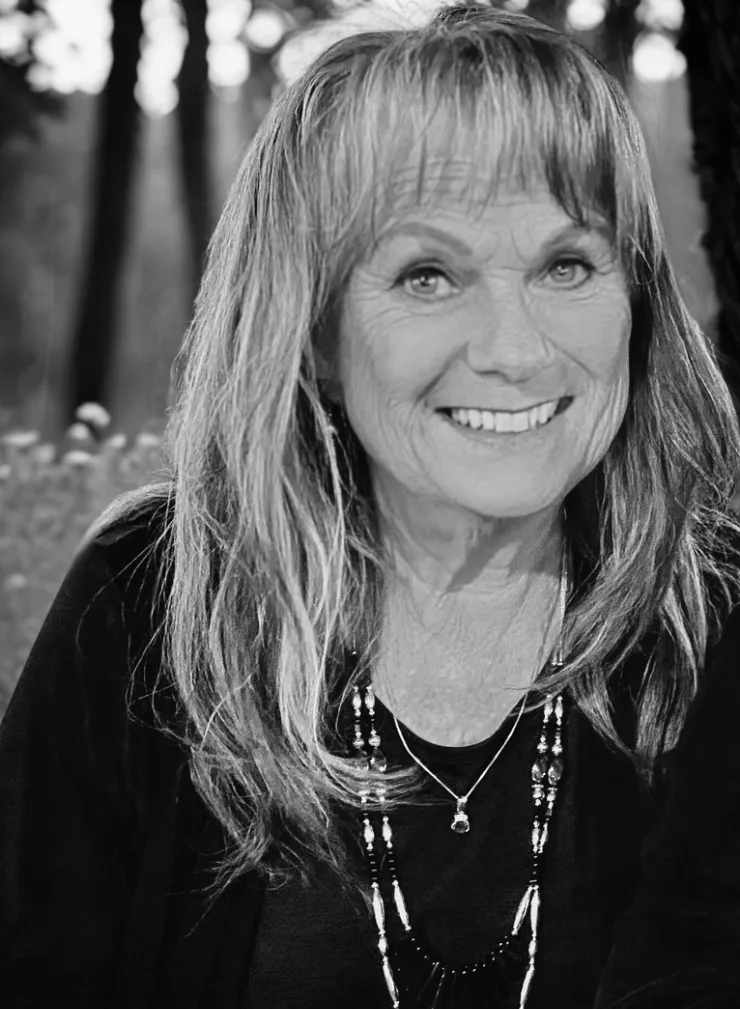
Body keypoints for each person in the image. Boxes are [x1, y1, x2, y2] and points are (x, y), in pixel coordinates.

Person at [2, 3, 740, 1007]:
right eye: (427, 275)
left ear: (636, 300)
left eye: (566, 265)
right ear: (314, 333)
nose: (514, 350)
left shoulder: (717, 622)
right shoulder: (152, 603)